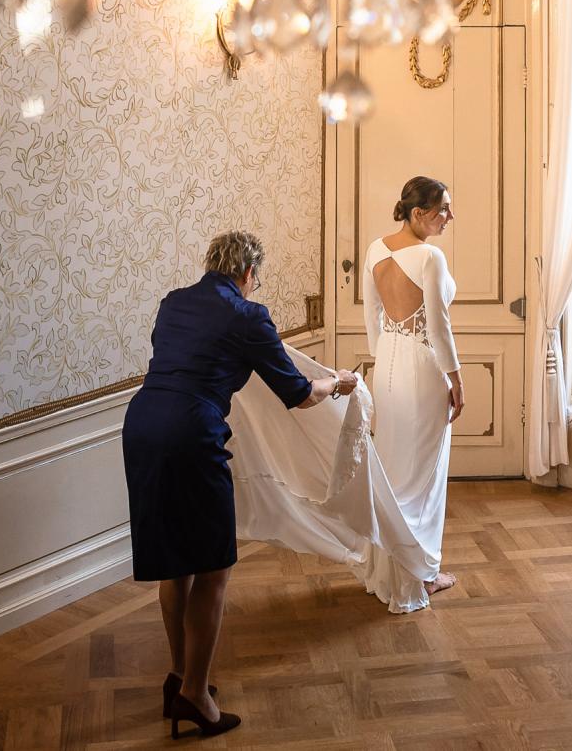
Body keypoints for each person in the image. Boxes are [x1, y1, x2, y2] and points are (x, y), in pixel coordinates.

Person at [123, 231, 358, 739]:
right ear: (249, 274)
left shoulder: (173, 303)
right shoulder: (249, 315)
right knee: (213, 568)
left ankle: (183, 677)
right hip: (191, 434)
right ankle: (194, 696)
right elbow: (298, 394)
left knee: (175, 564)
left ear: (212, 264)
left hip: (140, 426)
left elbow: (186, 360)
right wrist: (337, 383)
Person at [361, 175, 462, 601]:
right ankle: (421, 573)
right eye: (442, 211)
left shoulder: (374, 249)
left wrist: (383, 361)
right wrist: (455, 379)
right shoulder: (429, 256)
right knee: (423, 475)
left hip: (386, 364)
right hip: (422, 369)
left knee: (393, 471)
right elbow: (439, 329)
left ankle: (389, 572)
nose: (449, 218)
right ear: (418, 213)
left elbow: (372, 324)